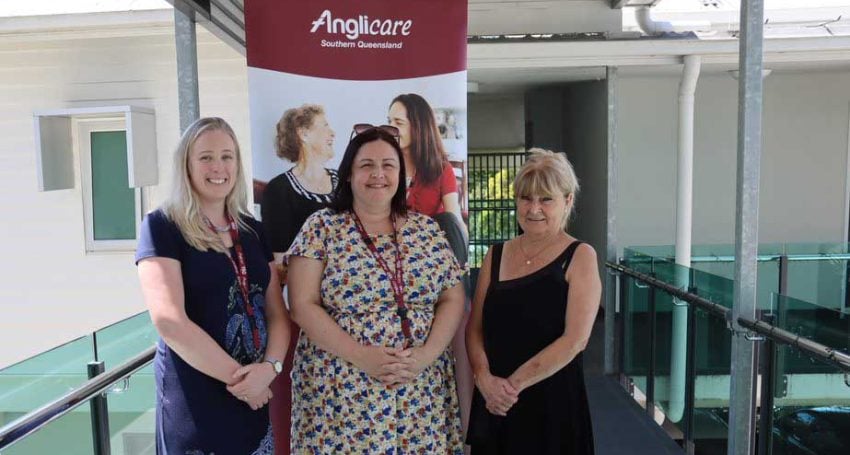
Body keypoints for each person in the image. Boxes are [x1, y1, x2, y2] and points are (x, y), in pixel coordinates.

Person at [286, 125, 466, 453]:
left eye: (388, 165)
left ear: (401, 175)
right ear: (349, 175)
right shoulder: (322, 228)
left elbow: (452, 297)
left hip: (418, 386)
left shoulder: (426, 229)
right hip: (344, 389)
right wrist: (363, 357)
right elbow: (301, 304)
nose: (378, 174)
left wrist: (426, 355)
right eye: (366, 165)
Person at [136, 117, 289, 454]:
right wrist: (244, 380)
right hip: (196, 401)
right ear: (186, 165)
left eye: (227, 156)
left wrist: (269, 369)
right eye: (206, 157)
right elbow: (169, 322)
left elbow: (278, 313)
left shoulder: (252, 230)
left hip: (253, 397)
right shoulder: (162, 226)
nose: (218, 166)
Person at [465, 148, 601, 454]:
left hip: (551, 406)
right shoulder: (494, 255)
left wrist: (510, 388)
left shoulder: (580, 257)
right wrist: (484, 378)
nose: (534, 208)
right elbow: (475, 329)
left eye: (546, 199)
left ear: (567, 201)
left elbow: (574, 341)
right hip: (495, 404)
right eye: (526, 198)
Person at [260, 104, 338, 453]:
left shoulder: (346, 184)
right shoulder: (279, 191)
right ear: (303, 134)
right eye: (324, 126)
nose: (332, 132)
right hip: (305, 320)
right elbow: (281, 268)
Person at [387, 93, 463, 224]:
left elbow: (455, 221)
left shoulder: (441, 169)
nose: (390, 129)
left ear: (419, 127)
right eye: (389, 121)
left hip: (429, 241)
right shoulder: (383, 168)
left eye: (399, 123)